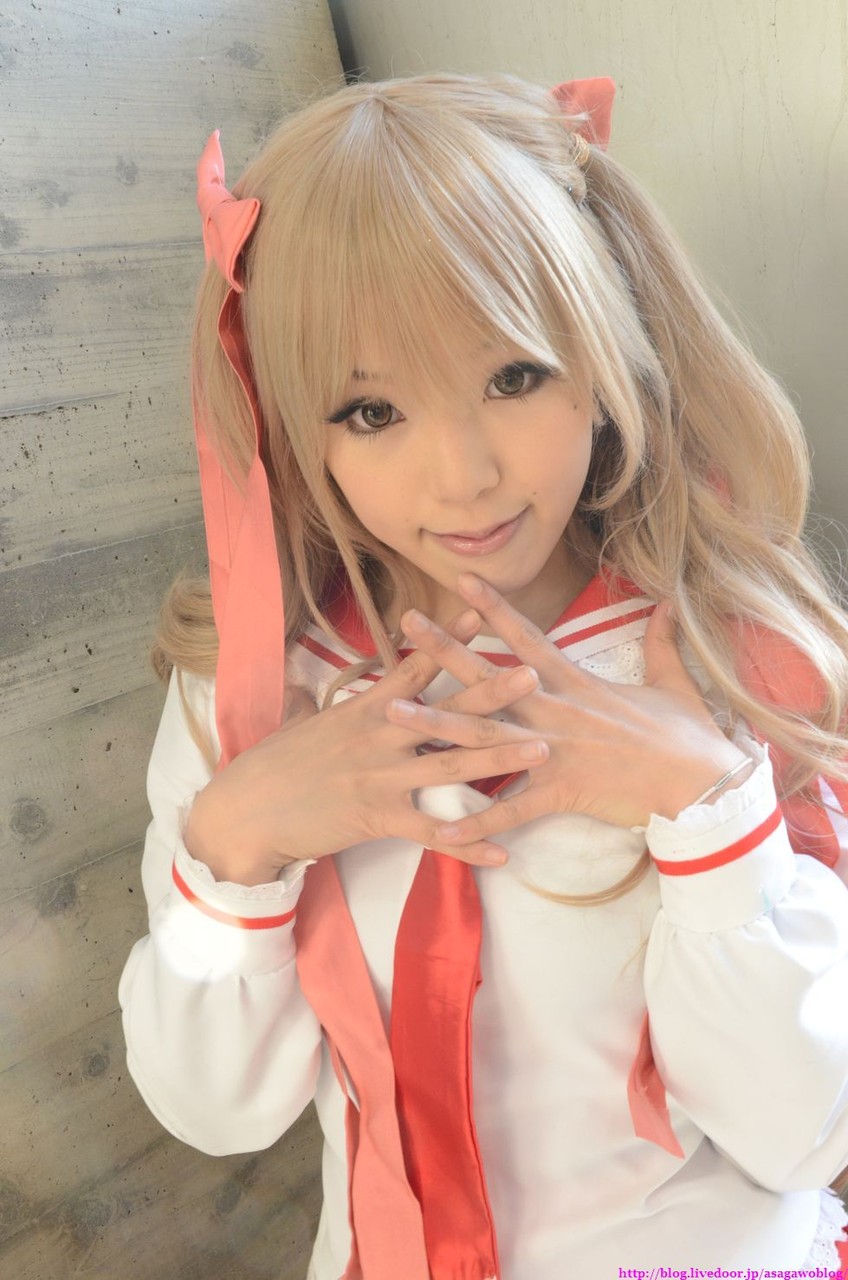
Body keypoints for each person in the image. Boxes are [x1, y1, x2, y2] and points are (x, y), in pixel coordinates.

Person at [119, 73, 848, 1279]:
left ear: (603, 347)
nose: (460, 474)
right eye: (369, 410)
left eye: (513, 375)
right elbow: (214, 1110)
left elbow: (809, 1131)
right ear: (292, 421)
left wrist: (708, 815)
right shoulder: (250, 694)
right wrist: (237, 844)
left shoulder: (729, 655)